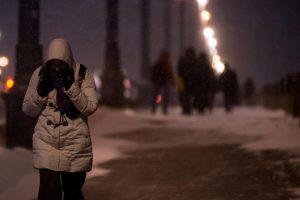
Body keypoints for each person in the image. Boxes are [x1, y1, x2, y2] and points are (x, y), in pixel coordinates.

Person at [22, 38, 98, 200]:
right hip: (46, 142)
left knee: (72, 193)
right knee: (49, 193)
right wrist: (40, 93)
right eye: (52, 65)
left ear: (68, 61)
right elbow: (28, 109)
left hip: (75, 144)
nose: (56, 70)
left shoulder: (82, 74)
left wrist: (71, 88)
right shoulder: (40, 74)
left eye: (60, 65)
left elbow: (90, 107)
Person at [177, 48, 197, 115]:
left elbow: (179, 70)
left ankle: (185, 108)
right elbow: (196, 71)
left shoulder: (183, 59)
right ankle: (188, 108)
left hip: (184, 80)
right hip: (191, 80)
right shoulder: (194, 60)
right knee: (189, 95)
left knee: (184, 95)